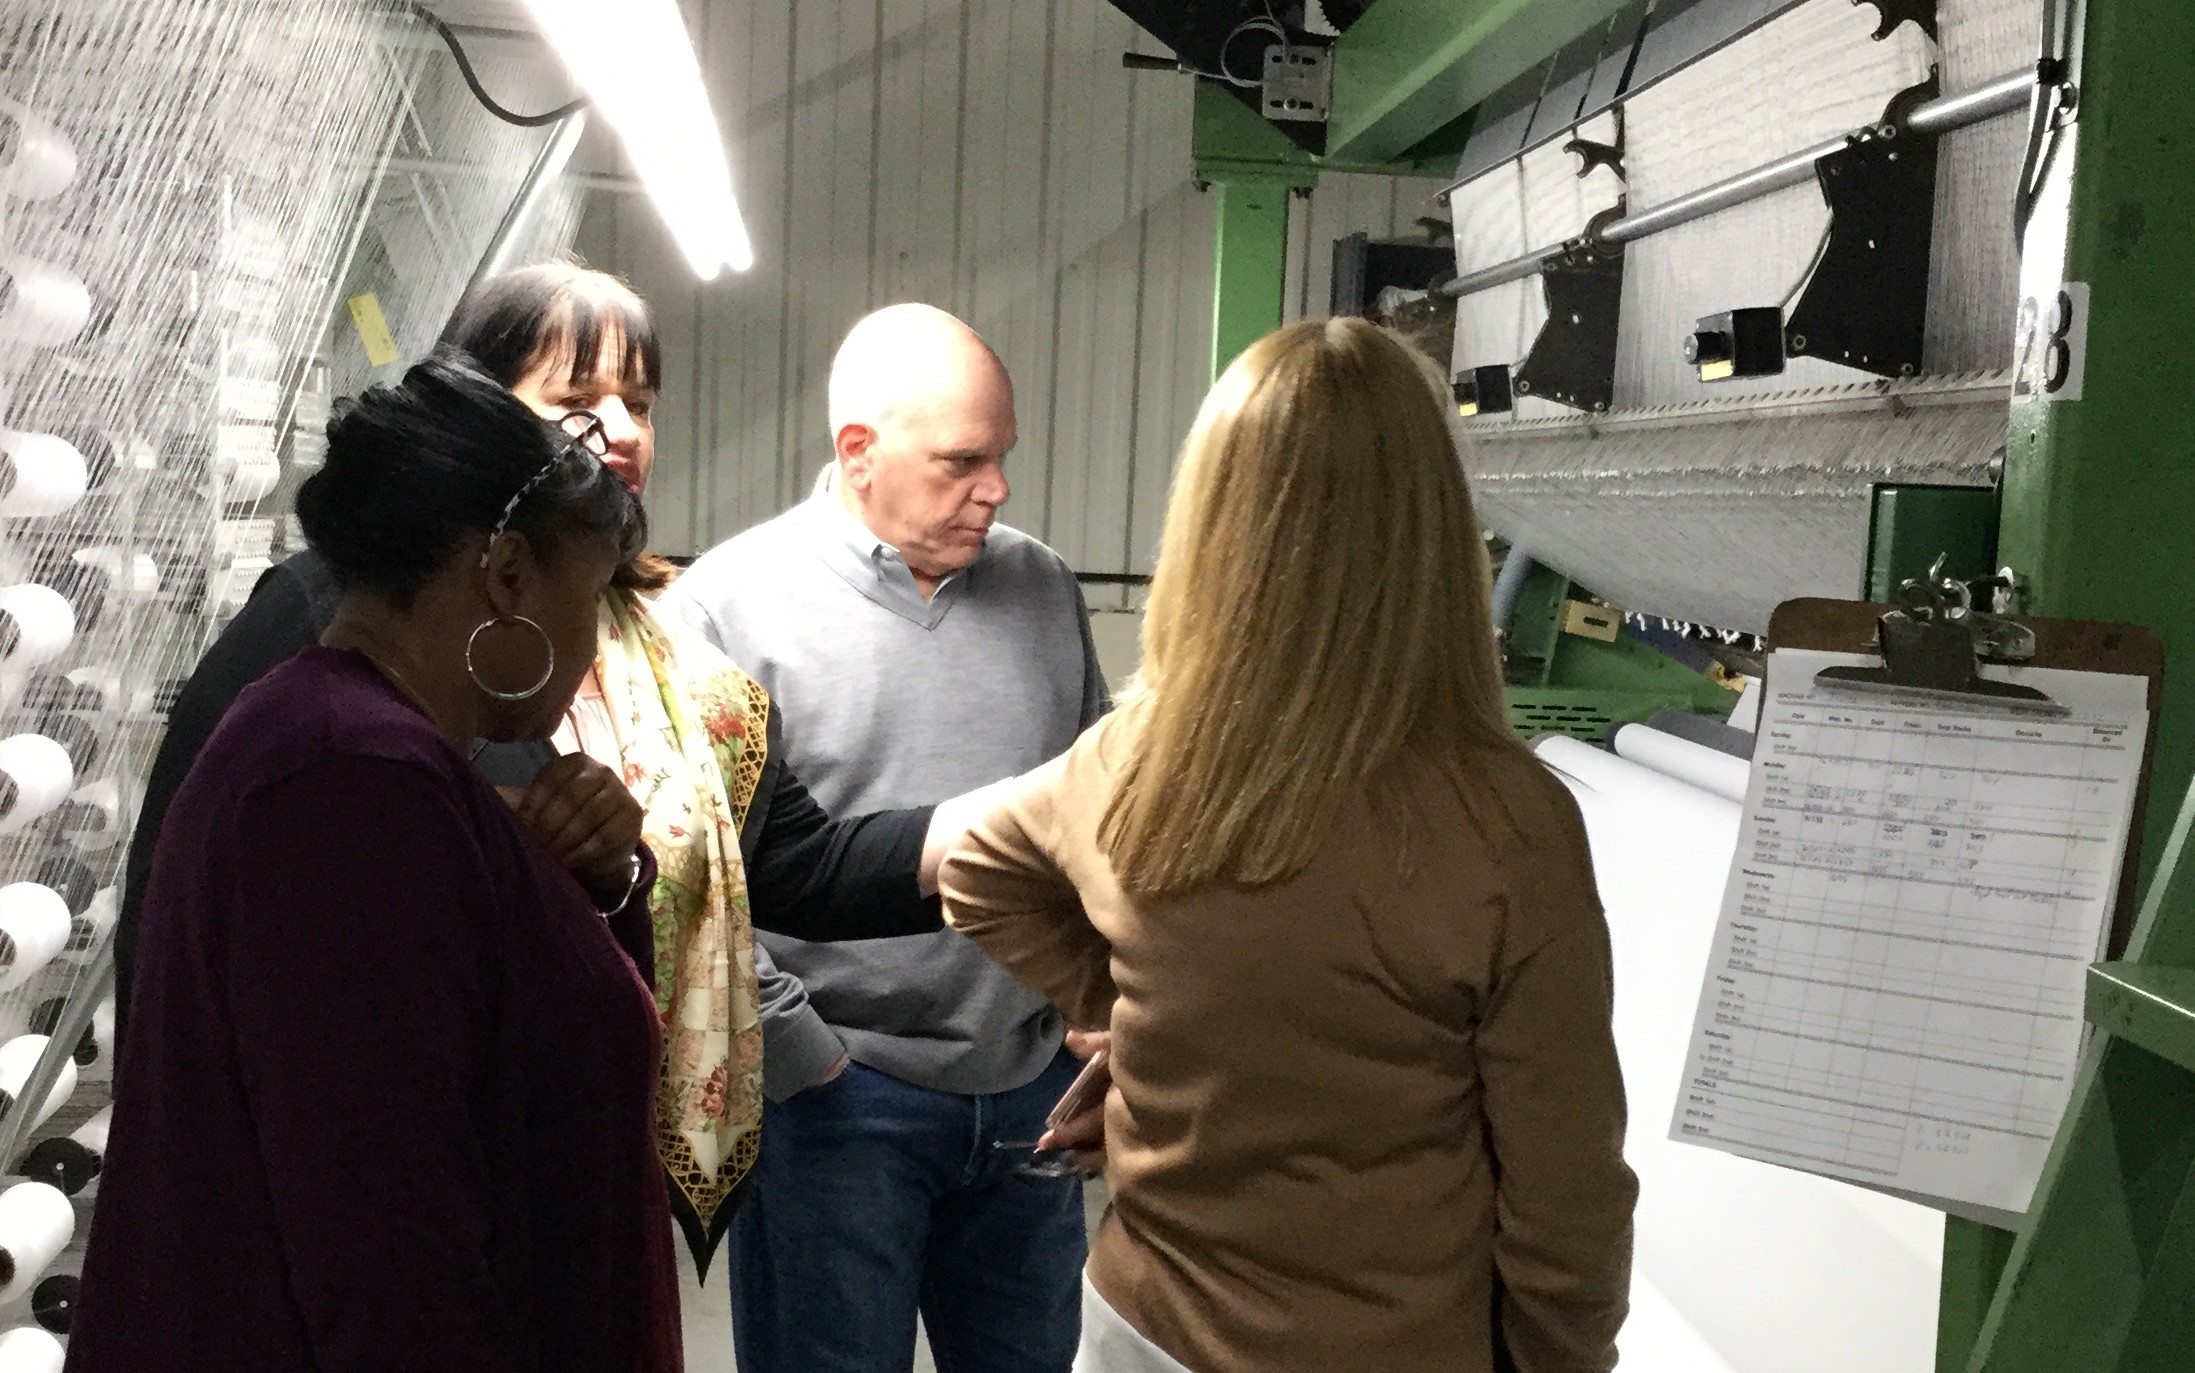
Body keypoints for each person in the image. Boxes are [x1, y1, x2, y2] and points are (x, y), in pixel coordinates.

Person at [112, 262, 994, 1263]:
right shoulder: (345, 640)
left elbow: (793, 863)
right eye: (575, 401)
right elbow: (189, 931)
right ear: (479, 422)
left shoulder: (667, 659)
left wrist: (1017, 828)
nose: (619, 430)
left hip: (540, 1186)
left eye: (640, 402)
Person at [938, 318, 1638, 1373]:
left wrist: (1127, 1004)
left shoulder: (1126, 763)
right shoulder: (1510, 826)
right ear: (1433, 533)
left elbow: (973, 867)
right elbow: (1565, 1203)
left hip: (1139, 1329)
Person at [72, 358, 676, 1369]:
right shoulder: (350, 779)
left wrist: (598, 881)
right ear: (509, 573)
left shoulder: (361, 747)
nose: (593, 637)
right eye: (594, 593)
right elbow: (389, 1248)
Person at [660, 303, 1107, 1373]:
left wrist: (1100, 1015)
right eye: (962, 461)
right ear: (858, 452)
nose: (994, 488)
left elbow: (1099, 818)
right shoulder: (723, 608)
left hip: (1028, 1098)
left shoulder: (1040, 586)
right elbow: (694, 882)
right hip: (839, 1105)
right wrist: (809, 1064)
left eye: (1000, 459)